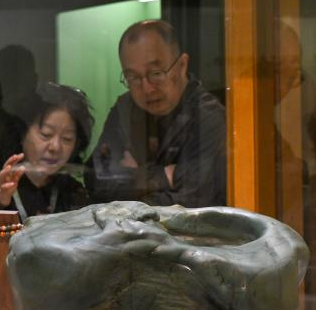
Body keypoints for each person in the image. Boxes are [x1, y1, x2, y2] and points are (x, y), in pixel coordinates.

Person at [90, 19, 226, 207]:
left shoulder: (207, 117)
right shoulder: (125, 108)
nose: (147, 89)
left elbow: (190, 204)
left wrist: (130, 181)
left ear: (182, 65)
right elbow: (96, 182)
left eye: (156, 73)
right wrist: (161, 177)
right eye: (133, 77)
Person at [0, 83, 94, 240]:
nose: (55, 147)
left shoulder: (73, 192)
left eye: (67, 138)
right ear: (22, 133)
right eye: (46, 134)